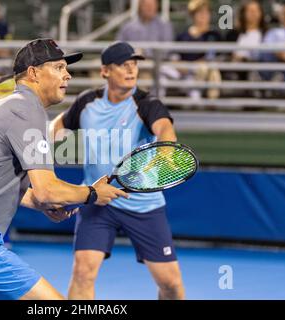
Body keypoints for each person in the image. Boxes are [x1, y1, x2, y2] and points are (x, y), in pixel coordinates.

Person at [0, 38, 128, 300]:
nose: (68, 75)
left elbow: (8, 186)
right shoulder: (26, 110)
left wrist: (43, 203)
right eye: (59, 67)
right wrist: (92, 193)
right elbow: (47, 189)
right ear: (34, 73)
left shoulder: (6, 106)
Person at [50, 41, 185, 300]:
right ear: (105, 71)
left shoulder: (147, 104)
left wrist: (165, 153)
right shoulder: (86, 102)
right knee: (83, 273)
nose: (131, 69)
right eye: (123, 65)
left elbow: (165, 130)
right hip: (97, 200)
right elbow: (57, 127)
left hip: (143, 205)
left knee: (170, 284)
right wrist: (36, 139)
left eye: (134, 64)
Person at [175, 0, 222, 100]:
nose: (203, 16)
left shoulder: (214, 35)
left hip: (205, 70)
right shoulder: (183, 36)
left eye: (206, 12)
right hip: (186, 72)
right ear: (193, 15)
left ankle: (212, 103)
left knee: (211, 70)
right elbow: (176, 56)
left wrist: (197, 63)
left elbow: (213, 56)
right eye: (199, 13)